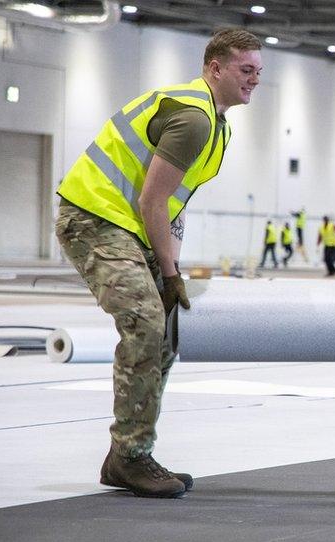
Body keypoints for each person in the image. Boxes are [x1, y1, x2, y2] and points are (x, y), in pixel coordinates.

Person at [54, 29, 262, 498]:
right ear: (215, 68)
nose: (254, 80)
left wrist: (174, 267)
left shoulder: (217, 122)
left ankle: (127, 456)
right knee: (147, 322)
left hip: (128, 225)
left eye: (258, 72)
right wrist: (168, 274)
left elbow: (175, 202)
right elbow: (153, 200)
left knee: (166, 329)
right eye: (245, 70)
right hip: (93, 219)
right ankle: (130, 457)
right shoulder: (194, 119)